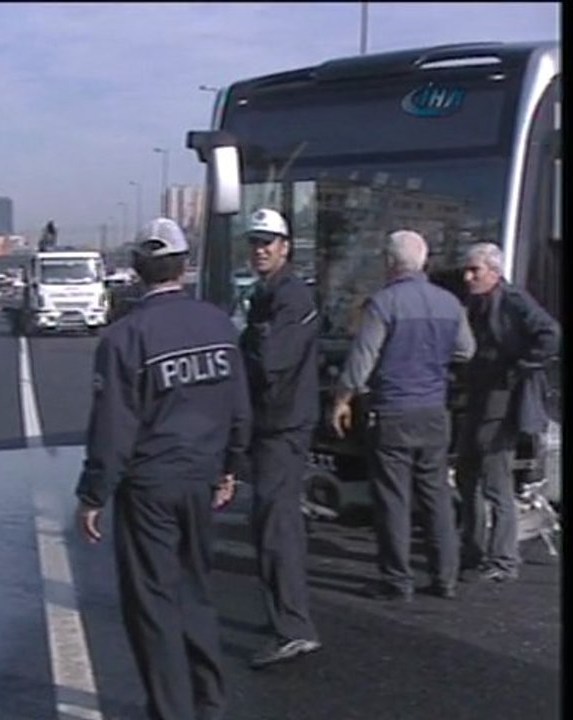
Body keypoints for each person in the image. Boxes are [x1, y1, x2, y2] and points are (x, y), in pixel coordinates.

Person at [75, 217, 250, 720]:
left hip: (150, 484)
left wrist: (94, 494)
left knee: (153, 605)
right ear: (184, 265)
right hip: (202, 478)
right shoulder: (218, 324)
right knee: (195, 591)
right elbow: (239, 405)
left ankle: (171, 710)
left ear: (136, 270)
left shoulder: (125, 337)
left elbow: (113, 428)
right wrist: (231, 467)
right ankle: (210, 702)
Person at [330, 230, 475, 602]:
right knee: (436, 494)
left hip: (393, 411)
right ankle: (446, 577)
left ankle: (397, 579)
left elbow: (362, 359)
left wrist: (342, 399)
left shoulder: (384, 304)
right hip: (433, 411)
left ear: (390, 263)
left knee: (393, 498)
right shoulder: (449, 303)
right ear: (424, 261)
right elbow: (466, 351)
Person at [237, 208, 323, 668]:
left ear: (286, 246)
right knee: (269, 522)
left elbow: (270, 361)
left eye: (269, 241)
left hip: (283, 426)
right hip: (272, 424)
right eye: (255, 241)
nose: (260, 249)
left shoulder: (290, 298)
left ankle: (293, 628)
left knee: (277, 527)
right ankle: (284, 618)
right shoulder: (267, 295)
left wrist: (244, 348)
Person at [455, 242, 561, 582]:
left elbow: (550, 333)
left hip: (502, 395)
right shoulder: (476, 301)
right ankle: (472, 549)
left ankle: (503, 558)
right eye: (467, 269)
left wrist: (522, 365)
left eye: (475, 270)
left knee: (494, 476)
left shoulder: (513, 300)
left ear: (495, 272)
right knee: (468, 473)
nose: (468, 276)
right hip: (479, 393)